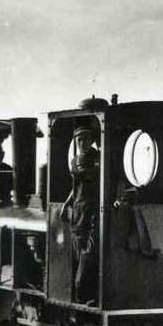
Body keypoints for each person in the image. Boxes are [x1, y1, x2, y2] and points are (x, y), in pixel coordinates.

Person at [61, 125, 100, 305]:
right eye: (79, 139)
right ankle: (80, 294)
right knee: (78, 250)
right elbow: (76, 186)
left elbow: (91, 176)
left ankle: (85, 292)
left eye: (85, 139)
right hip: (78, 211)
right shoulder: (74, 160)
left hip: (93, 210)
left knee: (89, 252)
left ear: (92, 140)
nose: (82, 142)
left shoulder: (98, 157)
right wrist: (66, 204)